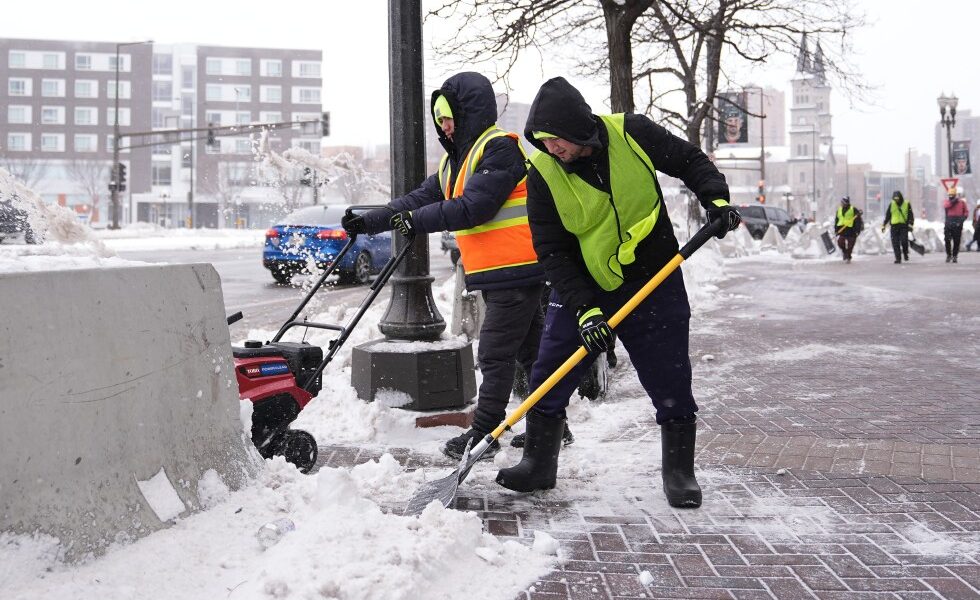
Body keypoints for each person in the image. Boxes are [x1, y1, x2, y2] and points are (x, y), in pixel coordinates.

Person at [495, 77, 739, 509]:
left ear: (577, 128)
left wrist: (714, 199)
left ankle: (679, 472)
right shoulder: (544, 174)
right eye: (544, 142)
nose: (553, 149)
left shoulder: (632, 133)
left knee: (670, 375)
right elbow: (552, 250)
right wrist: (586, 310)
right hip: (585, 283)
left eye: (557, 140)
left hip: (654, 276)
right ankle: (538, 463)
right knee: (550, 369)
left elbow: (688, 159)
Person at [341, 72, 546, 461]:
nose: (443, 125)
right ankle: (551, 424)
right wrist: (370, 221)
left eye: (448, 116)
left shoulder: (499, 150)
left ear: (469, 112)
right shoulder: (457, 163)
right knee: (530, 353)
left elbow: (474, 208)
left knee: (495, 355)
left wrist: (415, 222)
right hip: (504, 272)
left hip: (517, 271)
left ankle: (484, 434)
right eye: (438, 119)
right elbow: (418, 198)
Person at [881, 191, 914, 264]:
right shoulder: (891, 204)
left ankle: (905, 253)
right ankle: (898, 258)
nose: (896, 200)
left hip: (903, 226)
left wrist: (910, 224)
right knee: (895, 243)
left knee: (904, 241)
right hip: (894, 226)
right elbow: (887, 216)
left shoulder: (906, 204)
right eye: (895, 199)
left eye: (897, 198)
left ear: (900, 197)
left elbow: (910, 215)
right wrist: (883, 225)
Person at [834, 196, 863, 263]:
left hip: (851, 229)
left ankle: (848, 255)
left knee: (851, 245)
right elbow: (836, 220)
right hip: (842, 229)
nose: (841, 203)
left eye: (843, 202)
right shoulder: (839, 210)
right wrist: (836, 229)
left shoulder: (853, 209)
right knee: (840, 242)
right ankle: (845, 252)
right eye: (841, 202)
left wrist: (857, 230)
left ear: (846, 202)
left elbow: (858, 220)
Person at [943, 189, 970, 263]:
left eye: (952, 195)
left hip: (958, 223)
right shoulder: (947, 201)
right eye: (949, 195)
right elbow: (946, 206)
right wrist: (953, 201)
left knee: (956, 241)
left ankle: (955, 256)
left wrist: (963, 219)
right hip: (948, 223)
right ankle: (949, 255)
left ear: (955, 195)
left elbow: (966, 212)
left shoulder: (962, 202)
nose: (950, 196)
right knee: (947, 239)